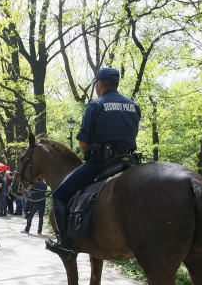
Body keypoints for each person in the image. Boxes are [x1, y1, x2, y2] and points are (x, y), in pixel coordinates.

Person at [46, 68, 141, 260]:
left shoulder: (95, 105)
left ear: (99, 85)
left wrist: (90, 155)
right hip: (129, 162)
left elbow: (83, 144)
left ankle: (65, 243)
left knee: (59, 195)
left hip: (102, 163)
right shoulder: (133, 106)